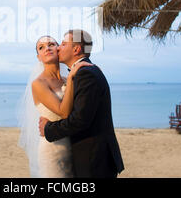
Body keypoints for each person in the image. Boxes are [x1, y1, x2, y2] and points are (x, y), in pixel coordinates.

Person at [39, 30, 125, 178]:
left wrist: (48, 129)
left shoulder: (86, 74)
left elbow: (80, 120)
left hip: (93, 158)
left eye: (64, 44)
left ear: (76, 49)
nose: (58, 47)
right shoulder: (82, 72)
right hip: (90, 156)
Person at [17, 35, 92, 177]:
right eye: (41, 47)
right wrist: (71, 79)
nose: (47, 48)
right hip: (52, 149)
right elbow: (63, 112)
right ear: (38, 57)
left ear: (58, 49)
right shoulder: (39, 83)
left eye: (51, 44)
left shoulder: (67, 78)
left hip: (75, 147)